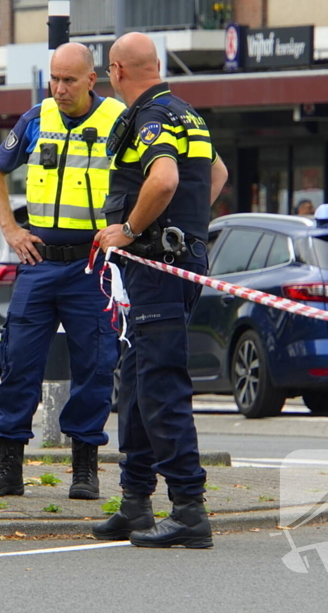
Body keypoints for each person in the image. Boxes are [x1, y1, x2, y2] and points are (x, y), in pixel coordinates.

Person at [92, 32, 228, 549]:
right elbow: (217, 173)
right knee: (134, 377)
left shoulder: (148, 118)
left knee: (158, 383)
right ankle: (135, 502)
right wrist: (185, 229)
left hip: (153, 264)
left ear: (116, 71)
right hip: (176, 259)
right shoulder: (187, 113)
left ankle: (188, 508)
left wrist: (130, 229)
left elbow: (165, 179)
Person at [0, 42, 126, 500]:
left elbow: (147, 177)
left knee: (95, 365)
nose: (59, 89)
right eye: (53, 80)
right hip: (39, 262)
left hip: (92, 263)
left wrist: (130, 229)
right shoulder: (35, 119)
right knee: (18, 360)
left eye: (68, 80)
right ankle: (8, 466)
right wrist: (10, 229)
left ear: (90, 81)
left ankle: (85, 467)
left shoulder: (118, 121)